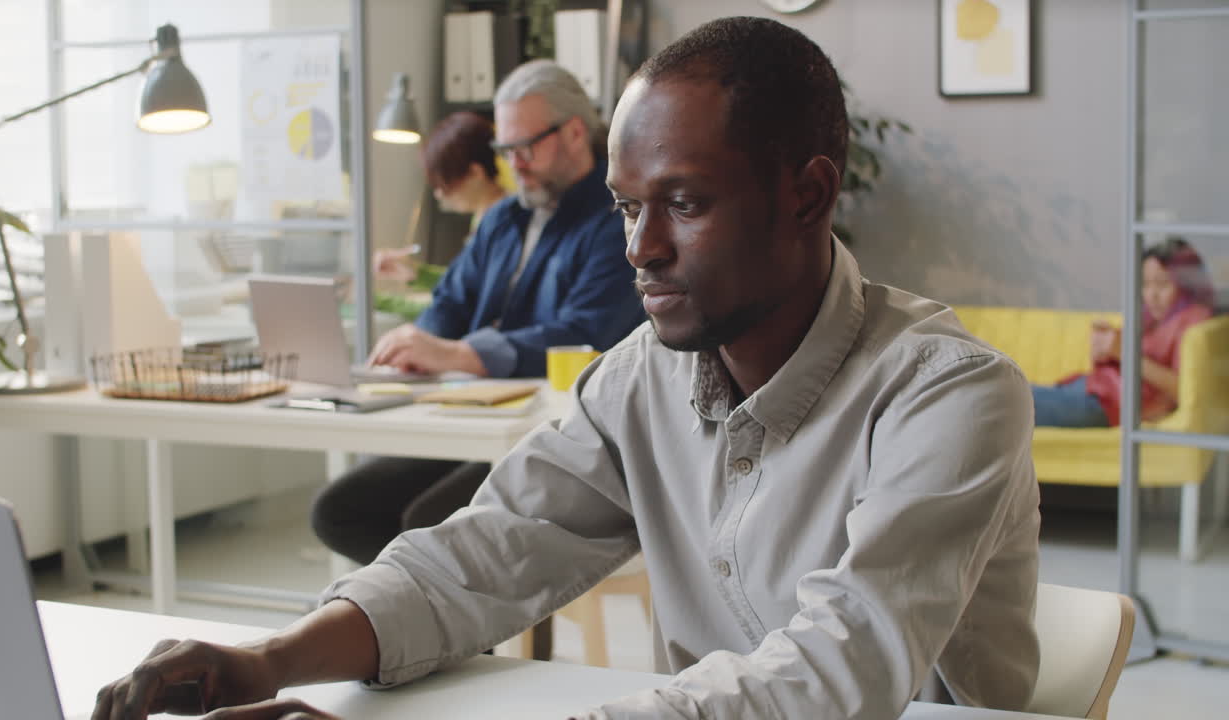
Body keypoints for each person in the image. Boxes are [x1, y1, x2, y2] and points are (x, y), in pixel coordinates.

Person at [91, 17, 1040, 720]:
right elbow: (483, 552)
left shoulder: (949, 394)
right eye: (628, 207)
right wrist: (271, 661)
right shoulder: (643, 381)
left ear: (808, 195)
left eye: (684, 203)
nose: (640, 247)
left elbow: (843, 670)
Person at [311, 61, 644, 572]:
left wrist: (460, 353)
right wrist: (413, 343)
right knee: (340, 512)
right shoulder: (504, 220)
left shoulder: (614, 221)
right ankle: (441, 632)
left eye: (524, 147)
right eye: (504, 151)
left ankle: (443, 630)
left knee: (424, 525)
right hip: (481, 425)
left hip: (560, 440)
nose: (514, 164)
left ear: (575, 132)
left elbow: (584, 332)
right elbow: (450, 302)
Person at [1031, 237, 1215, 427]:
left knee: (1010, 399)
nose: (1151, 294)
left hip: (1110, 403)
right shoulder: (1155, 317)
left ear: (1186, 284)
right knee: (1012, 392)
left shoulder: (1194, 320)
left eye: (1162, 284)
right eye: (1146, 284)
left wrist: (1124, 352)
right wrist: (1108, 347)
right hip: (1097, 387)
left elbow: (1184, 389)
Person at [373, 111, 515, 288]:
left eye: (445, 183)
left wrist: (381, 301)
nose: (439, 194)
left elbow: (471, 298)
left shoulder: (504, 224)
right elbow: (463, 285)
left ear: (475, 173)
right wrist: (414, 273)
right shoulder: (484, 216)